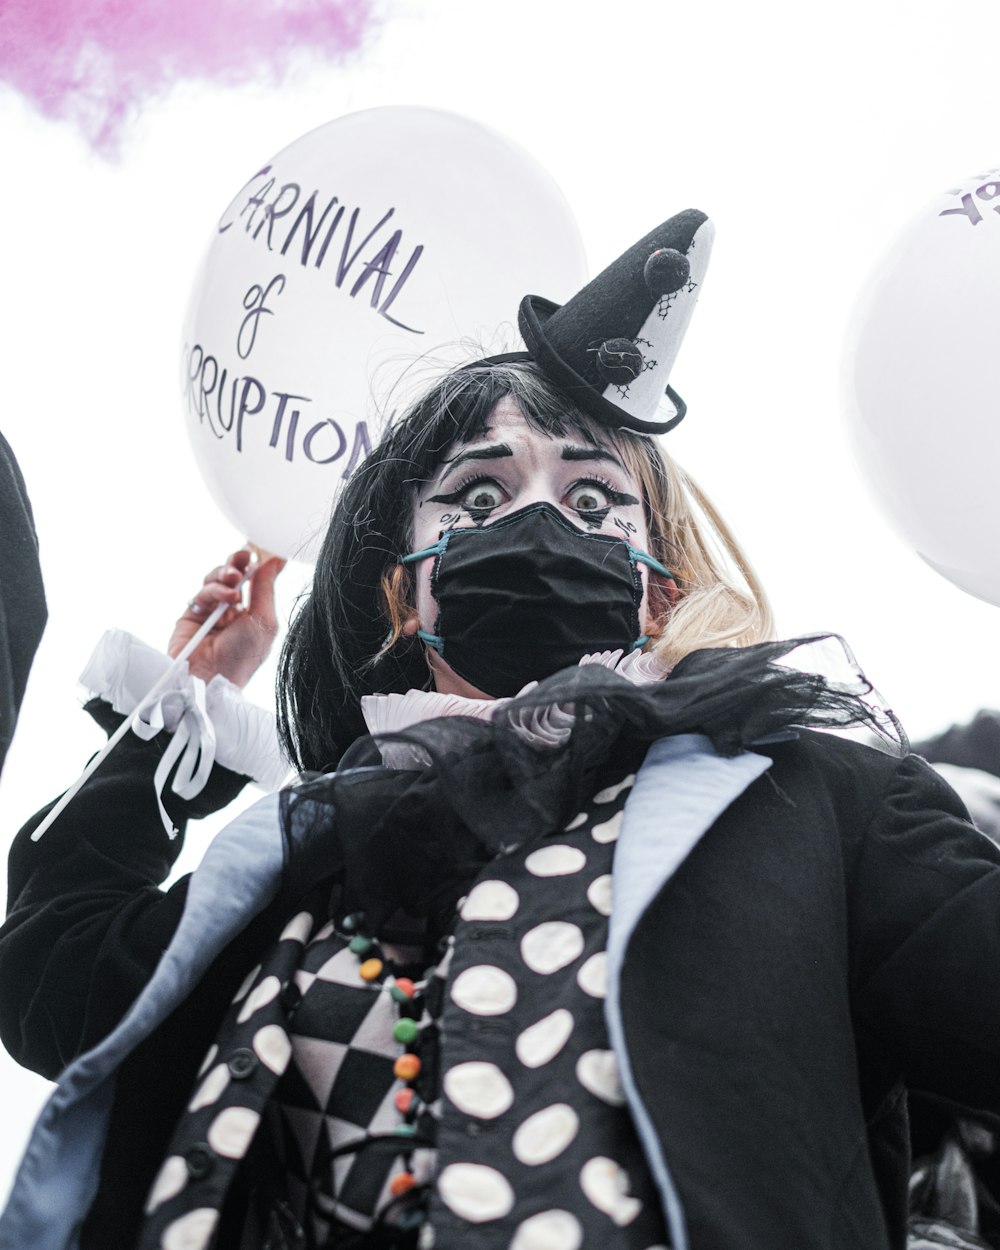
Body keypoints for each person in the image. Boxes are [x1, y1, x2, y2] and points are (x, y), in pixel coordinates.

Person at [2, 209, 1000, 1250]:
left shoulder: (817, 810)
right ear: (401, 592)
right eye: (479, 489)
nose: (540, 516)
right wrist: (181, 698)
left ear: (659, 592)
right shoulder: (298, 861)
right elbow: (51, 974)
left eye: (595, 496)